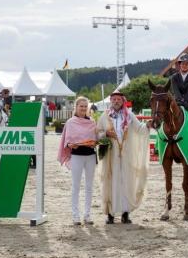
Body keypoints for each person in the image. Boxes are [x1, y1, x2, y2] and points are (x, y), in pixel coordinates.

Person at [96, 91, 150, 224]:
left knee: (126, 182)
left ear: (123, 101)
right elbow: (97, 134)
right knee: (111, 182)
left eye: (118, 99)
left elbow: (140, 129)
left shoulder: (129, 115)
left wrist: (148, 125)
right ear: (111, 101)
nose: (116, 101)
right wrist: (106, 134)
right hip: (110, 156)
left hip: (126, 156)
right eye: (113, 99)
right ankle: (110, 214)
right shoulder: (104, 116)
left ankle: (125, 213)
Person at [57, 96, 98, 225]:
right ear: (76, 107)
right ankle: (75, 216)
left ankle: (87, 215)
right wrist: (70, 145)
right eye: (81, 106)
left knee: (89, 186)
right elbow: (67, 140)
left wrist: (95, 143)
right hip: (76, 156)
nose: (83, 108)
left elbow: (95, 138)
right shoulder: (70, 122)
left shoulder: (92, 122)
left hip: (90, 155)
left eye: (85, 106)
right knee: (76, 186)